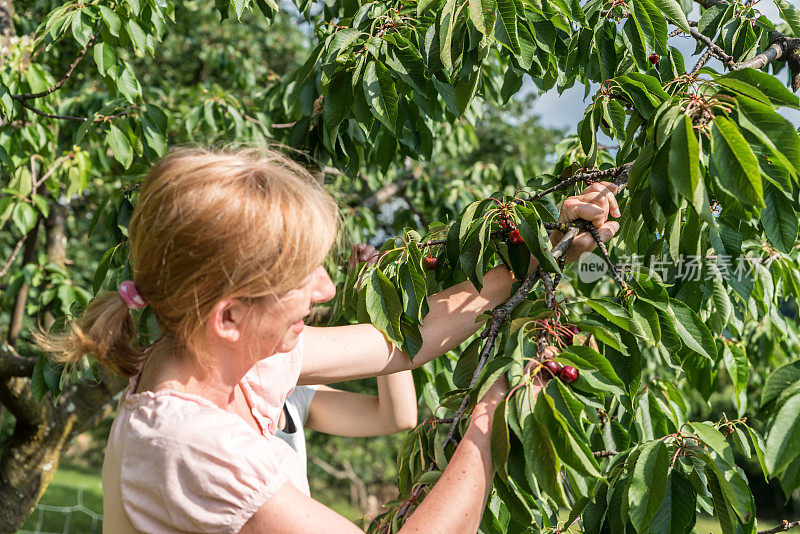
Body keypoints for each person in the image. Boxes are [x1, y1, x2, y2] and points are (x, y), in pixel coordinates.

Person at [38, 147, 620, 533]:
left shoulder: (233, 362)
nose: (324, 287)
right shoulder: (188, 443)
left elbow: (401, 340)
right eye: (300, 277)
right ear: (228, 317)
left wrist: (550, 249)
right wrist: (492, 417)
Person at [276, 244, 418, 478]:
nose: (327, 290)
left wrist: (376, 294)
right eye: (299, 271)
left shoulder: (293, 396)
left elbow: (398, 416)